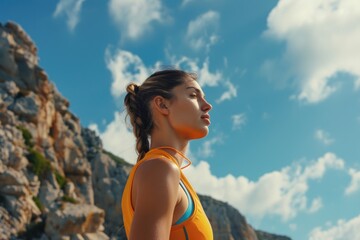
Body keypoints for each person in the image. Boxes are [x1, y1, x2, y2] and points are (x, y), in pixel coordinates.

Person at [121, 69, 213, 240]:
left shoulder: (164, 170)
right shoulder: (160, 168)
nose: (207, 105)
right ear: (162, 105)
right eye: (193, 95)